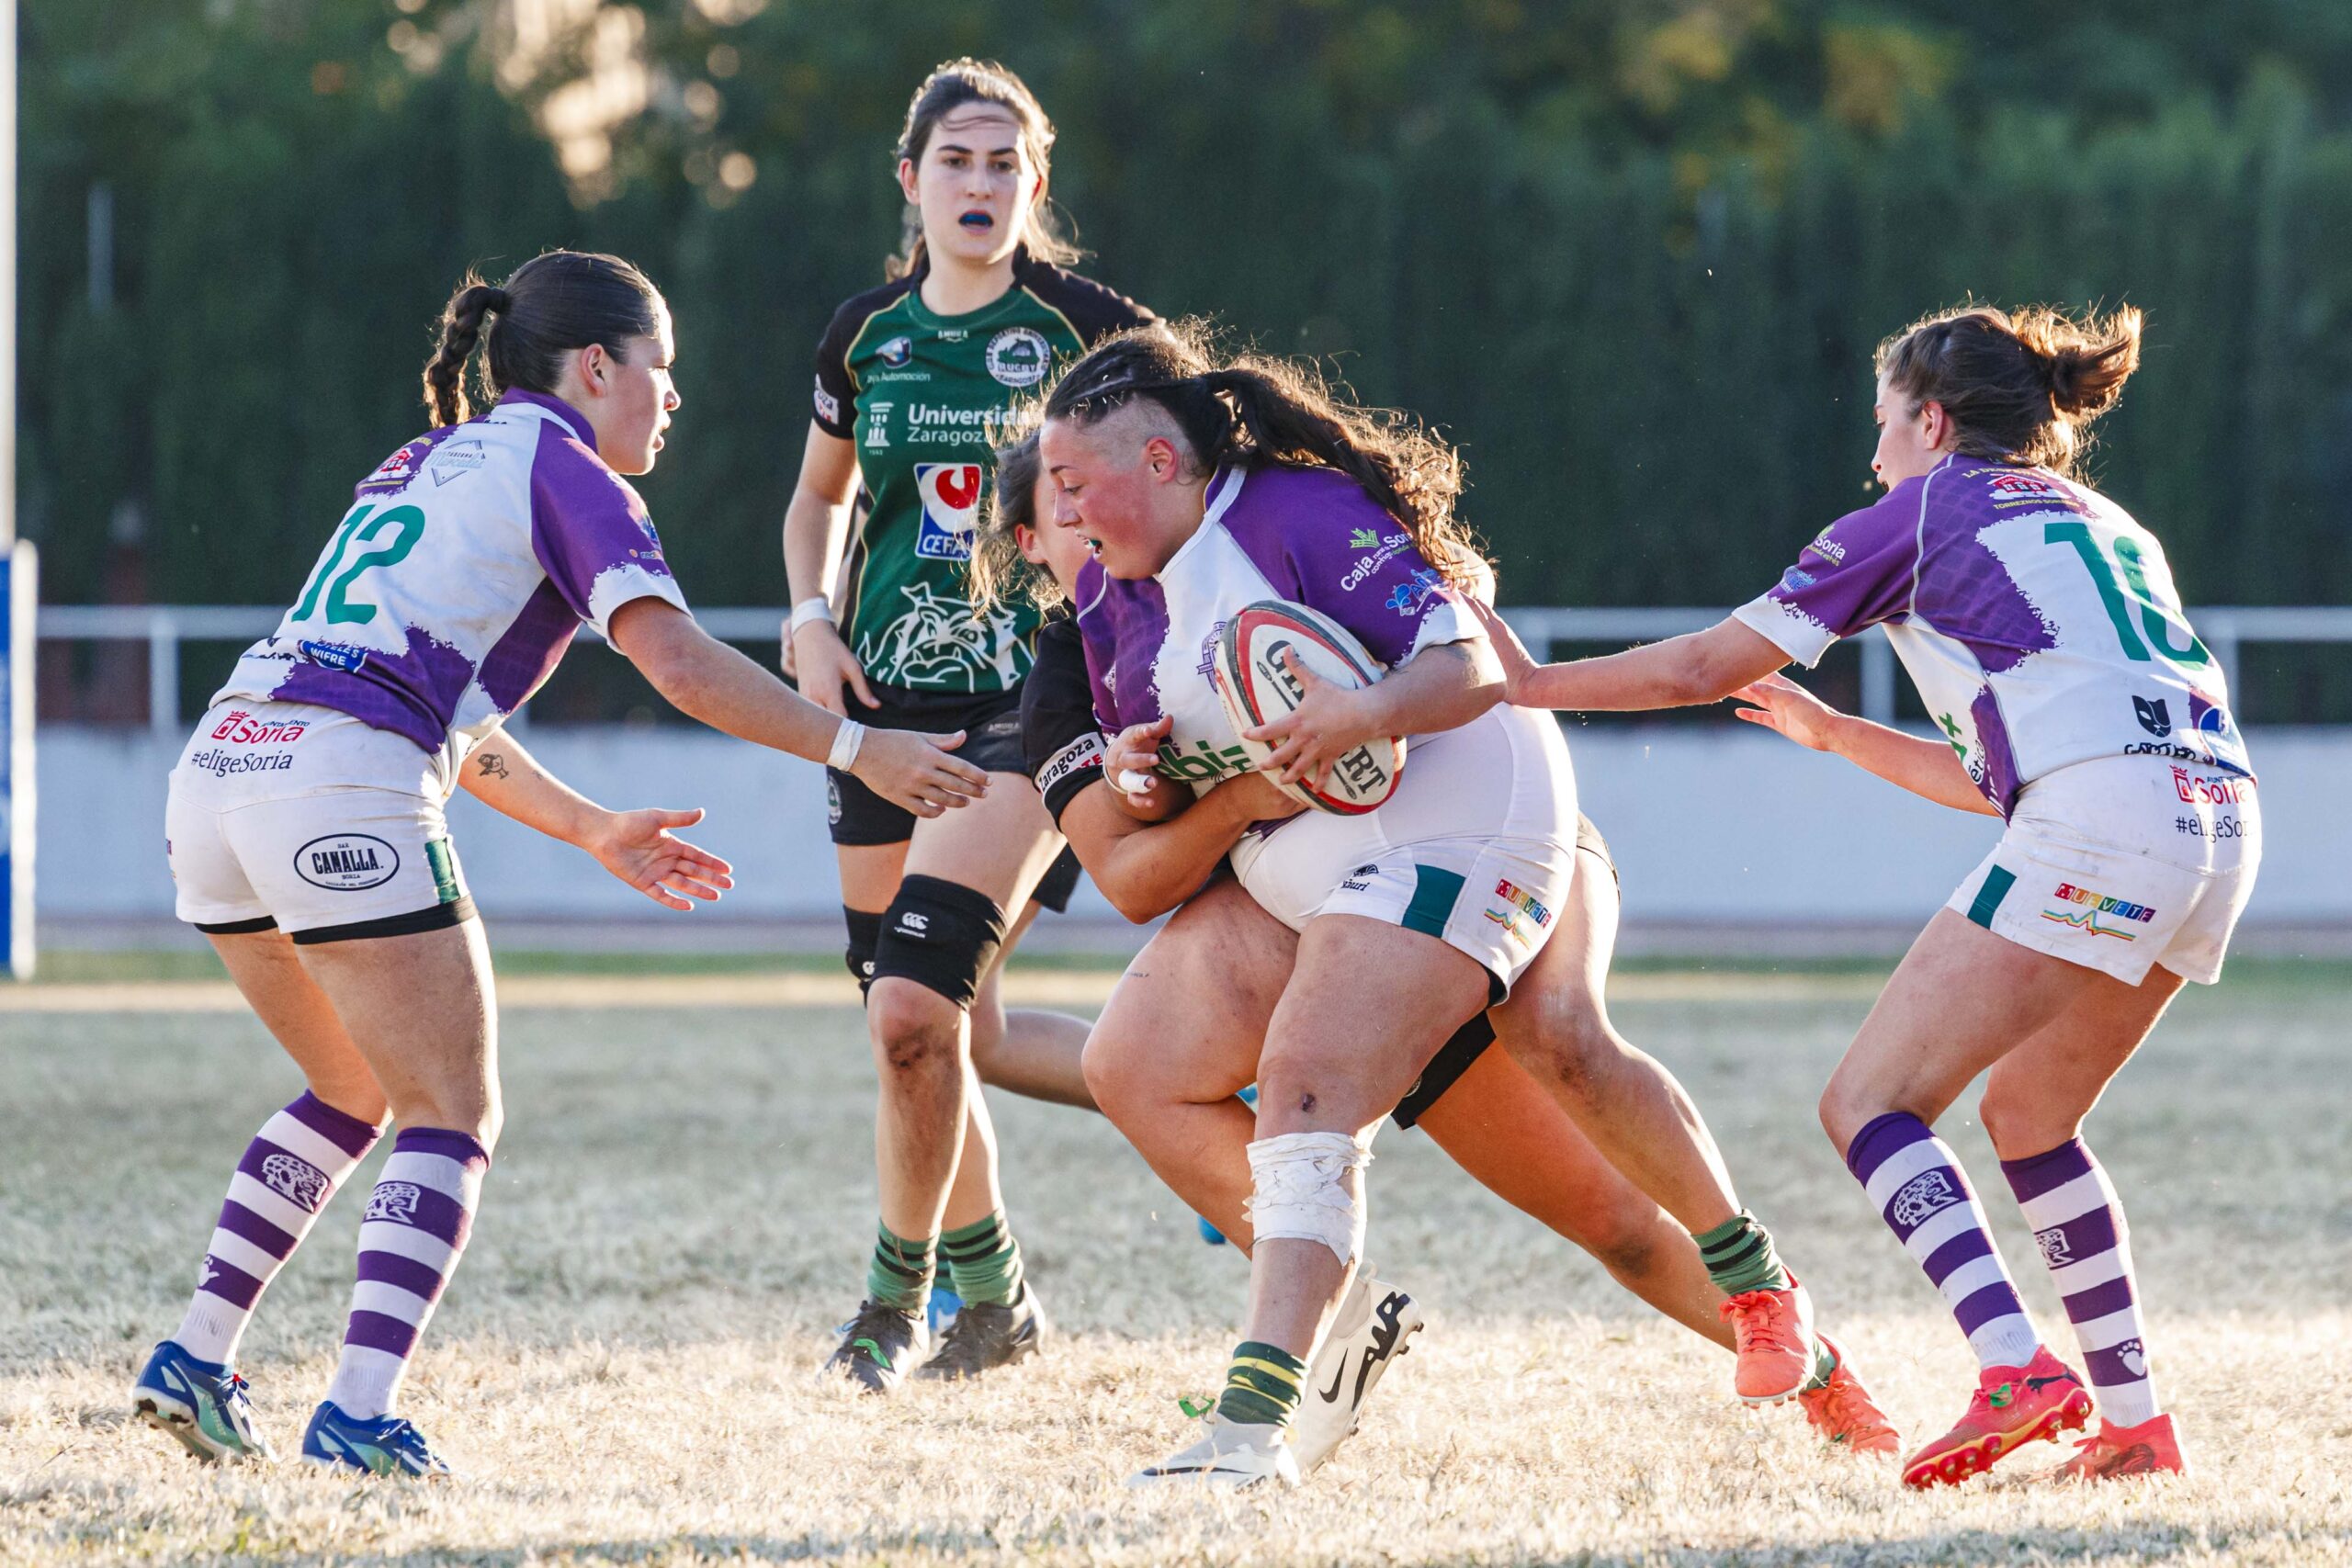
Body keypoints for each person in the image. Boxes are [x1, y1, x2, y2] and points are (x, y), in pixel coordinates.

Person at [132, 250, 981, 1478]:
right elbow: (680, 664)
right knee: (453, 1108)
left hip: (220, 770)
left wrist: (588, 825)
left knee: (356, 1087)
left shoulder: (426, 457)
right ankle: (359, 1412)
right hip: (338, 775)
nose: (672, 398)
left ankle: (198, 1355)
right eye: (660, 369)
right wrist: (860, 748)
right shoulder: (565, 468)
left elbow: (440, 708)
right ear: (597, 366)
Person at [974, 431, 1899, 1478]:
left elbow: (1455, 621)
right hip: (1340, 925)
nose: (1096, 529)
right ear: (1028, 542)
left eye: (1094, 494)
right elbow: (1133, 877)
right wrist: (1233, 786)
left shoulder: (1254, 536)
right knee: (1605, 1221)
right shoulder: (1074, 671)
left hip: (1475, 854)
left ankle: (1798, 1345)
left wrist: (1371, 696)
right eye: (1065, 512)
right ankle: (1326, 1322)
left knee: (1570, 1064)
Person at [1474, 303, 2253, 1486]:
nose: (1874, 450)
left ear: (1931, 420)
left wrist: (1524, 683)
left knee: (1870, 1105)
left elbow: (1698, 666)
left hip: (2103, 820)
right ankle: (2136, 1422)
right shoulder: (2109, 522)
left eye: (1885, 422)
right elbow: (2011, 775)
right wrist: (1838, 736)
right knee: (2032, 1119)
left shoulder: (1922, 510)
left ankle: (2014, 1369)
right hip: (2215, 818)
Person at [778, 59, 1154, 1390]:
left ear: (1036, 184)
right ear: (912, 180)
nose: (981, 183)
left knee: (911, 1014)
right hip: (877, 714)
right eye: (958, 160)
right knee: (941, 1027)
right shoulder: (863, 333)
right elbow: (816, 503)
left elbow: (1177, 483)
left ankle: (893, 1303)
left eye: (1006, 163)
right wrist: (809, 619)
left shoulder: (1091, 331)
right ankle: (1003, 1294)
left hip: (1028, 705)